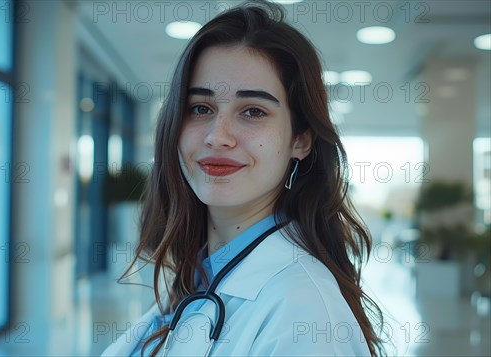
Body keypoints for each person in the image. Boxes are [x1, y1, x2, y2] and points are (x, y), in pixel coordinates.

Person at [101, 1, 385, 356]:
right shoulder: (205, 275)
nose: (218, 136)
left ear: (301, 139)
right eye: (200, 108)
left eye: (253, 111)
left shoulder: (304, 313)